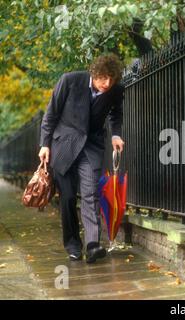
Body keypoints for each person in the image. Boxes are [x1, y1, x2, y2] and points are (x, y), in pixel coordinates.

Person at [38, 53, 125, 263]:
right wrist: (44, 144)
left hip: (91, 147)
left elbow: (116, 113)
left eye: (112, 79)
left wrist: (115, 134)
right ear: (94, 73)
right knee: (67, 198)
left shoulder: (115, 89)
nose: (107, 83)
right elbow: (51, 114)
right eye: (103, 78)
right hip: (63, 146)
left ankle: (93, 244)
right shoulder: (69, 81)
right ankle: (73, 245)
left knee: (90, 192)